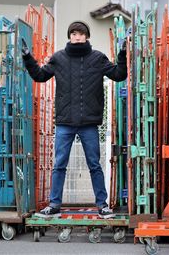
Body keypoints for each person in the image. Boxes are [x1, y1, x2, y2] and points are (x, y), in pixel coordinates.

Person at [21, 21, 127, 219]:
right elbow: (40, 76)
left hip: (89, 123)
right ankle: (54, 204)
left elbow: (119, 75)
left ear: (87, 37)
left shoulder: (97, 58)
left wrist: (122, 54)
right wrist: (28, 58)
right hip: (65, 122)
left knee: (94, 164)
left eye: (81, 34)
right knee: (59, 164)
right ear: (69, 36)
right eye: (74, 34)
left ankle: (102, 206)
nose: (77, 37)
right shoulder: (59, 58)